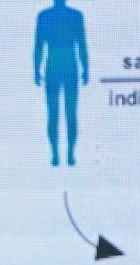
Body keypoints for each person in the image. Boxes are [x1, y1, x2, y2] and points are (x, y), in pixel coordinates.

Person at [34, 0, 89, 167]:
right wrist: (85, 68)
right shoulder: (74, 16)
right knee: (65, 113)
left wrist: (36, 69)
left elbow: (38, 46)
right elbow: (81, 44)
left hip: (56, 64)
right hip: (66, 64)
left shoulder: (45, 16)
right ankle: (63, 154)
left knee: (58, 113)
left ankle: (61, 154)